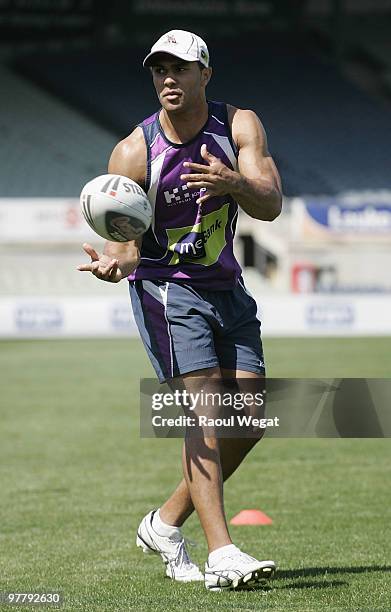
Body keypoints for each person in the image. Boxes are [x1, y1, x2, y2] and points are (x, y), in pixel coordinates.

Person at [78, 29, 282, 591]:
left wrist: (233, 180)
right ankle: (222, 553)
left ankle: (164, 523)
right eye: (158, 70)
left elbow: (270, 205)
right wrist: (113, 265)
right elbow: (125, 248)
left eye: (180, 69)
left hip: (226, 288)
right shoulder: (133, 151)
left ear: (205, 75)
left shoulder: (239, 125)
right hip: (167, 290)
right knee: (208, 413)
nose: (168, 79)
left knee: (251, 418)